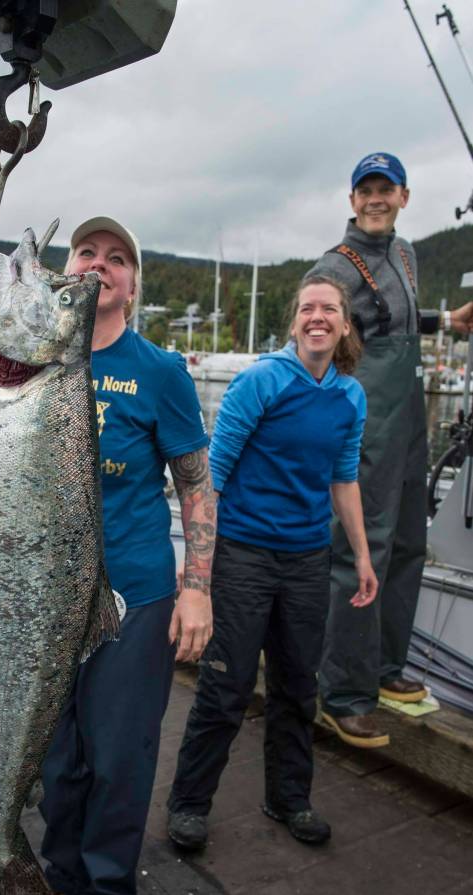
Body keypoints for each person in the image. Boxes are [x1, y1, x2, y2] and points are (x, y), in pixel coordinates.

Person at [39, 216, 215, 895]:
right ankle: (60, 871)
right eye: (88, 251)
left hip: (135, 591)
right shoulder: (39, 360)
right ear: (66, 269)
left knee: (117, 752)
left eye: (118, 258)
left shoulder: (159, 370)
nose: (101, 264)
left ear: (133, 285)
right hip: (44, 594)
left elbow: (196, 486)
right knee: (55, 754)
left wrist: (196, 586)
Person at [167, 276, 378, 851]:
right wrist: (198, 575)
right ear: (294, 324)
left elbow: (344, 478)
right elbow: (211, 477)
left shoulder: (349, 397)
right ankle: (187, 803)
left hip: (309, 558)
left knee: (296, 685)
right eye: (307, 307)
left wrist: (361, 556)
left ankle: (289, 798)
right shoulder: (261, 381)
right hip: (244, 553)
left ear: (343, 324)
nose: (318, 317)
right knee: (227, 684)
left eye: (329, 309)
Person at [309, 153, 473, 748]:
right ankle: (341, 694)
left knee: (409, 543)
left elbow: (391, 322)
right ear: (352, 201)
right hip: (363, 425)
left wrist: (445, 320)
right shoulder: (333, 267)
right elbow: (310, 337)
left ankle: (384, 670)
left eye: (387, 189)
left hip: (409, 421)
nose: (376, 199)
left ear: (404, 196)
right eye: (366, 190)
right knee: (360, 550)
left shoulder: (406, 255)